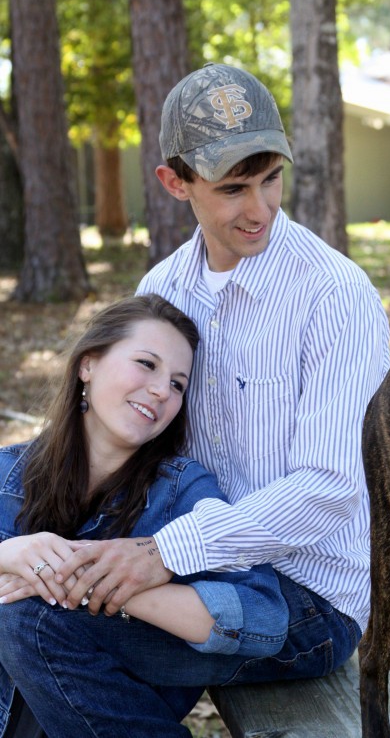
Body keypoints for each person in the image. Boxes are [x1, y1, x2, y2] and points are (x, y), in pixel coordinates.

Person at [0, 63, 390, 736]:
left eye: (272, 180)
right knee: (36, 621)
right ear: (175, 181)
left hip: (307, 599)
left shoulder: (335, 294)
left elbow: (329, 487)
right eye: (234, 187)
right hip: (173, 571)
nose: (261, 208)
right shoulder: (165, 287)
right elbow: (120, 439)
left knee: (33, 623)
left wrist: (161, 554)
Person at [0, 293, 289, 738]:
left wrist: (105, 582)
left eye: (178, 384)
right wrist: (9, 553)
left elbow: (264, 618)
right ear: (87, 365)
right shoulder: (7, 474)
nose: (161, 390)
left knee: (24, 613)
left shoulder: (181, 492)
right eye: (146, 364)